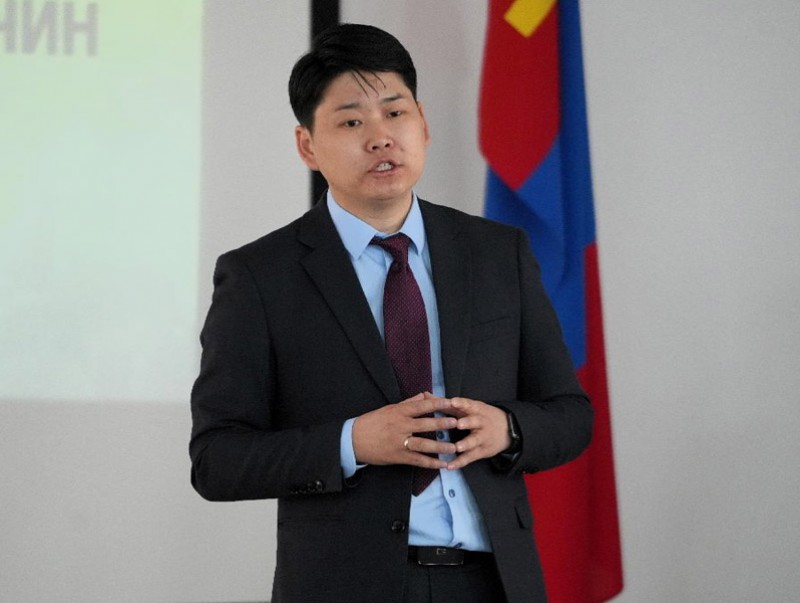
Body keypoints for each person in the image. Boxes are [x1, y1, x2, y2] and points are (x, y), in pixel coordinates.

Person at [190, 23, 593, 603]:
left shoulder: (496, 253)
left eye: (395, 113)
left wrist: (506, 428)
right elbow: (217, 459)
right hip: (345, 587)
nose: (381, 137)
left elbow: (570, 415)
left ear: (422, 123)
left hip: (494, 582)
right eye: (351, 122)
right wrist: (353, 442)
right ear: (307, 146)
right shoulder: (259, 276)